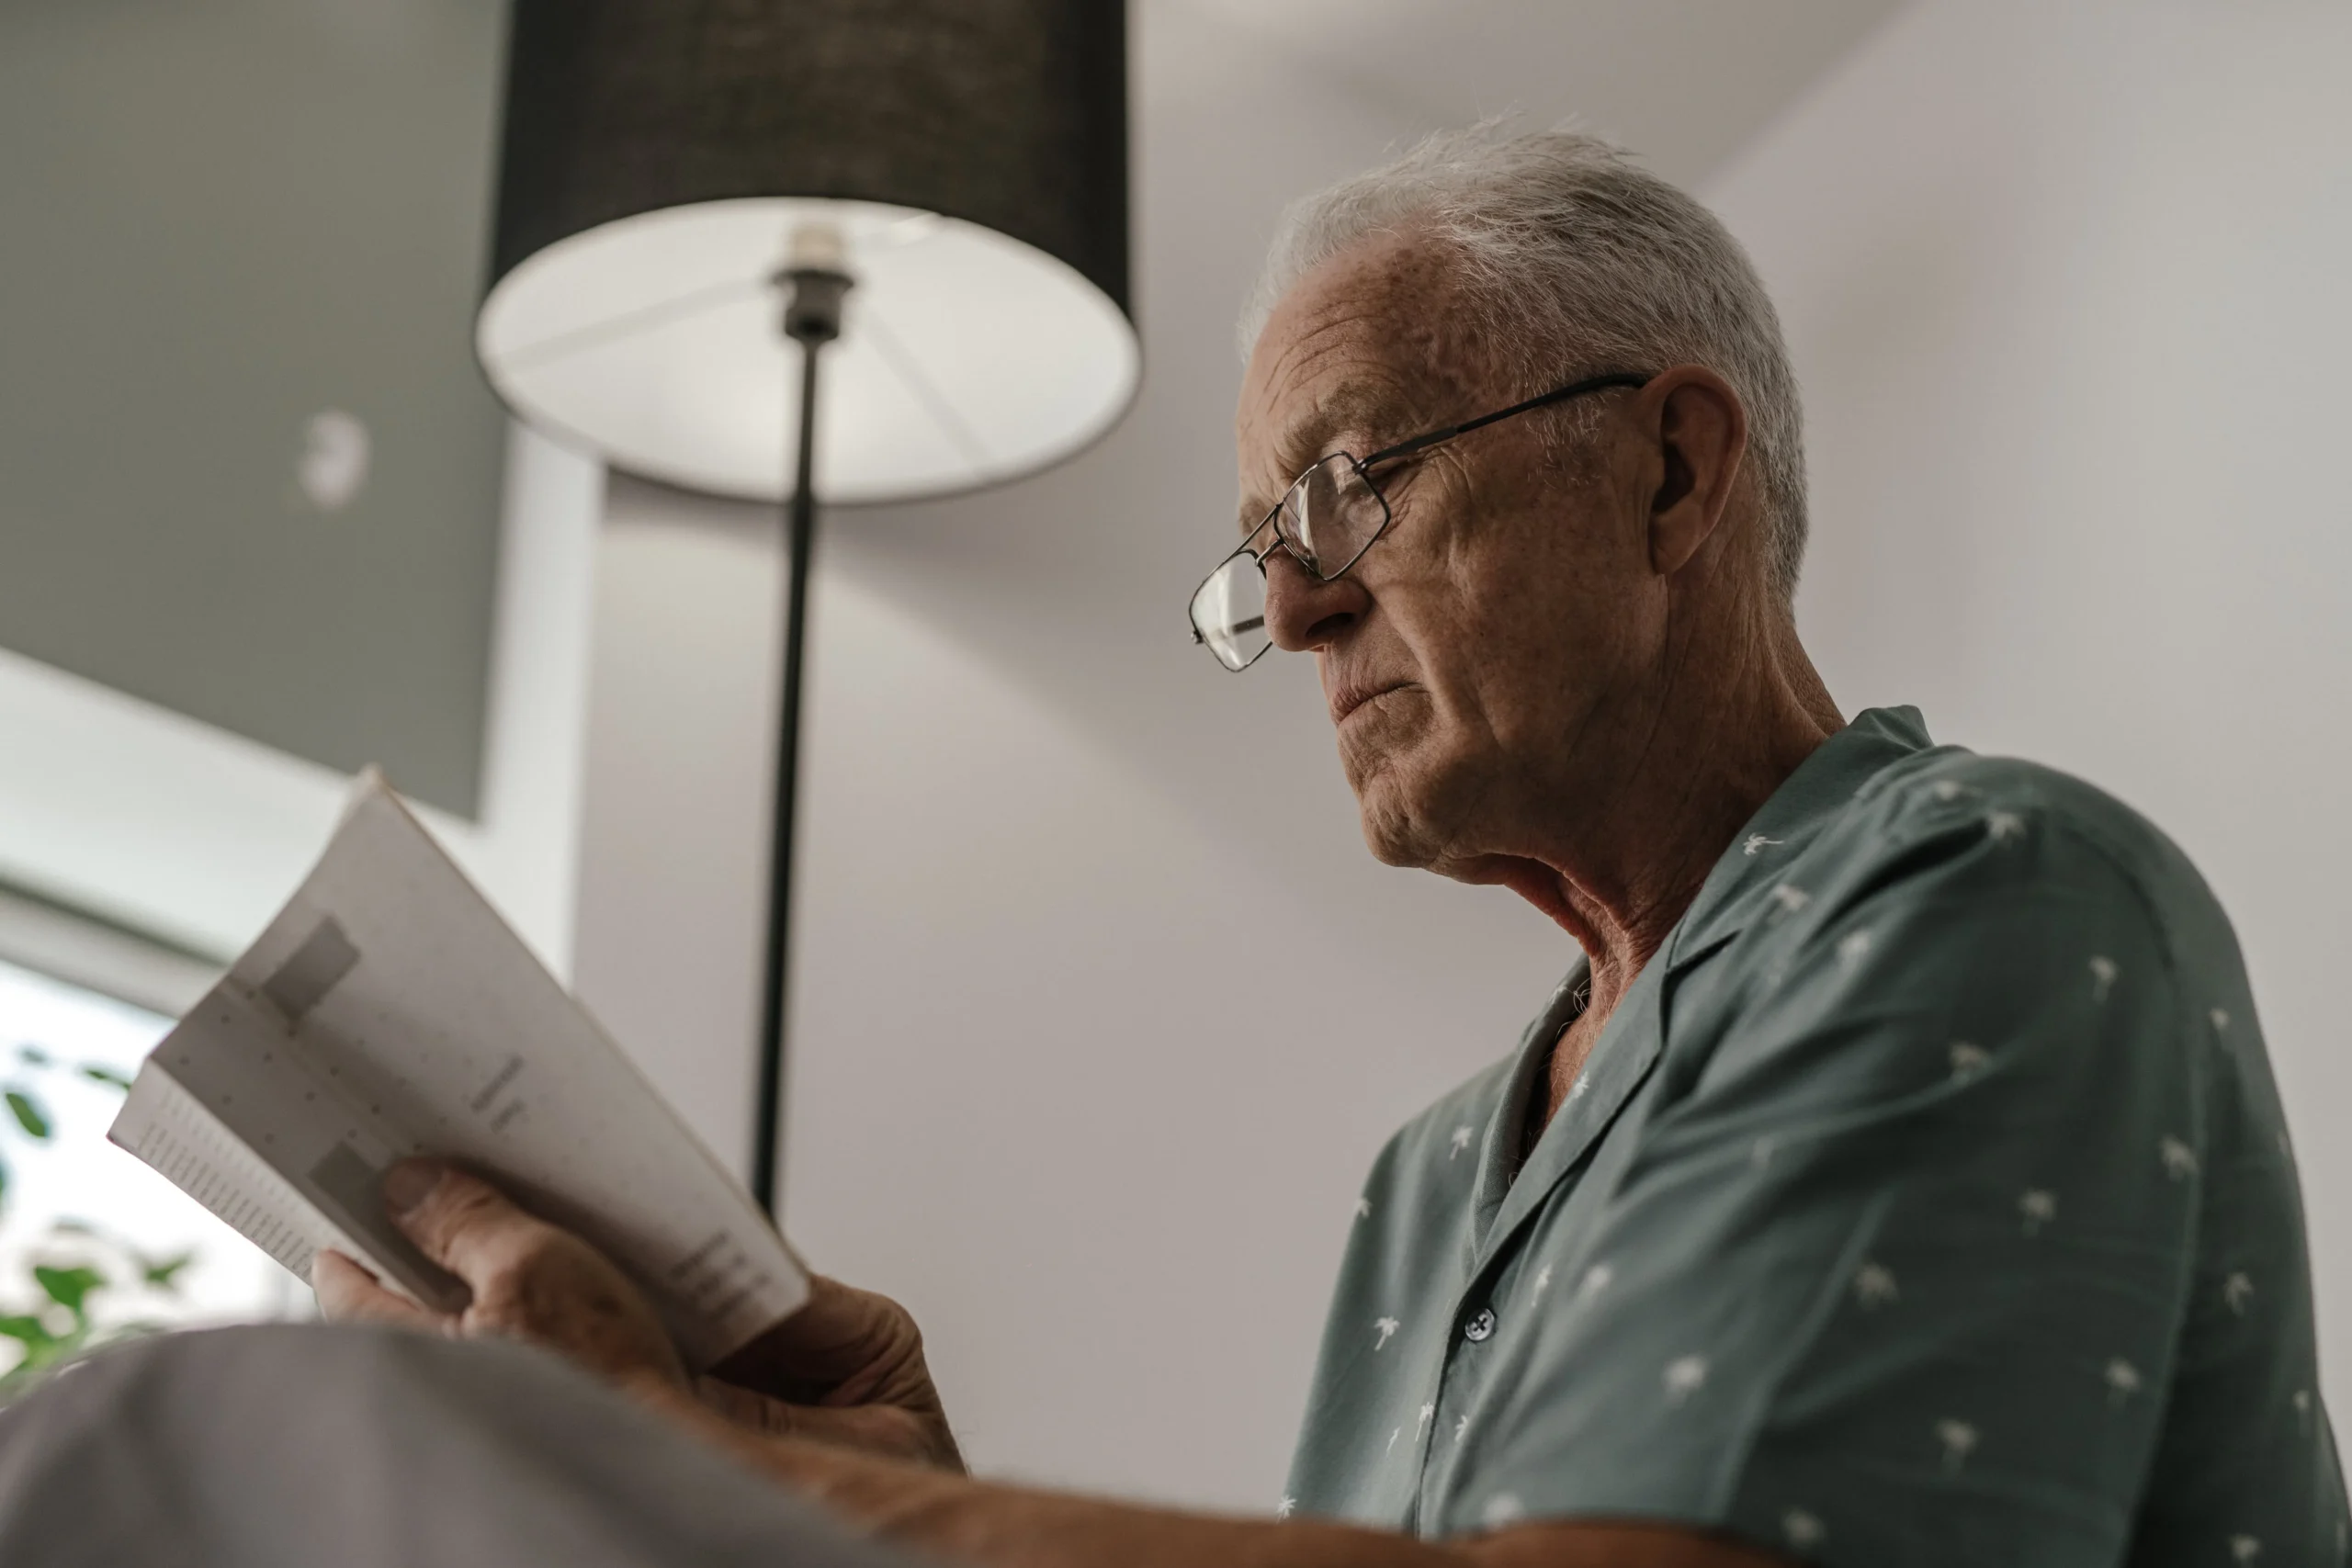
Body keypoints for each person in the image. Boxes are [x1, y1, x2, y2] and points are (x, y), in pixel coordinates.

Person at [33, 122, 2344, 1566]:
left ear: (1667, 469)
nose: (1302, 599)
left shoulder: (1982, 899)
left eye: (1349, 487)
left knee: (152, 1453)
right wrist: (902, 1495)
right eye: (1264, 553)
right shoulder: (1435, 1179)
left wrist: (726, 1490)